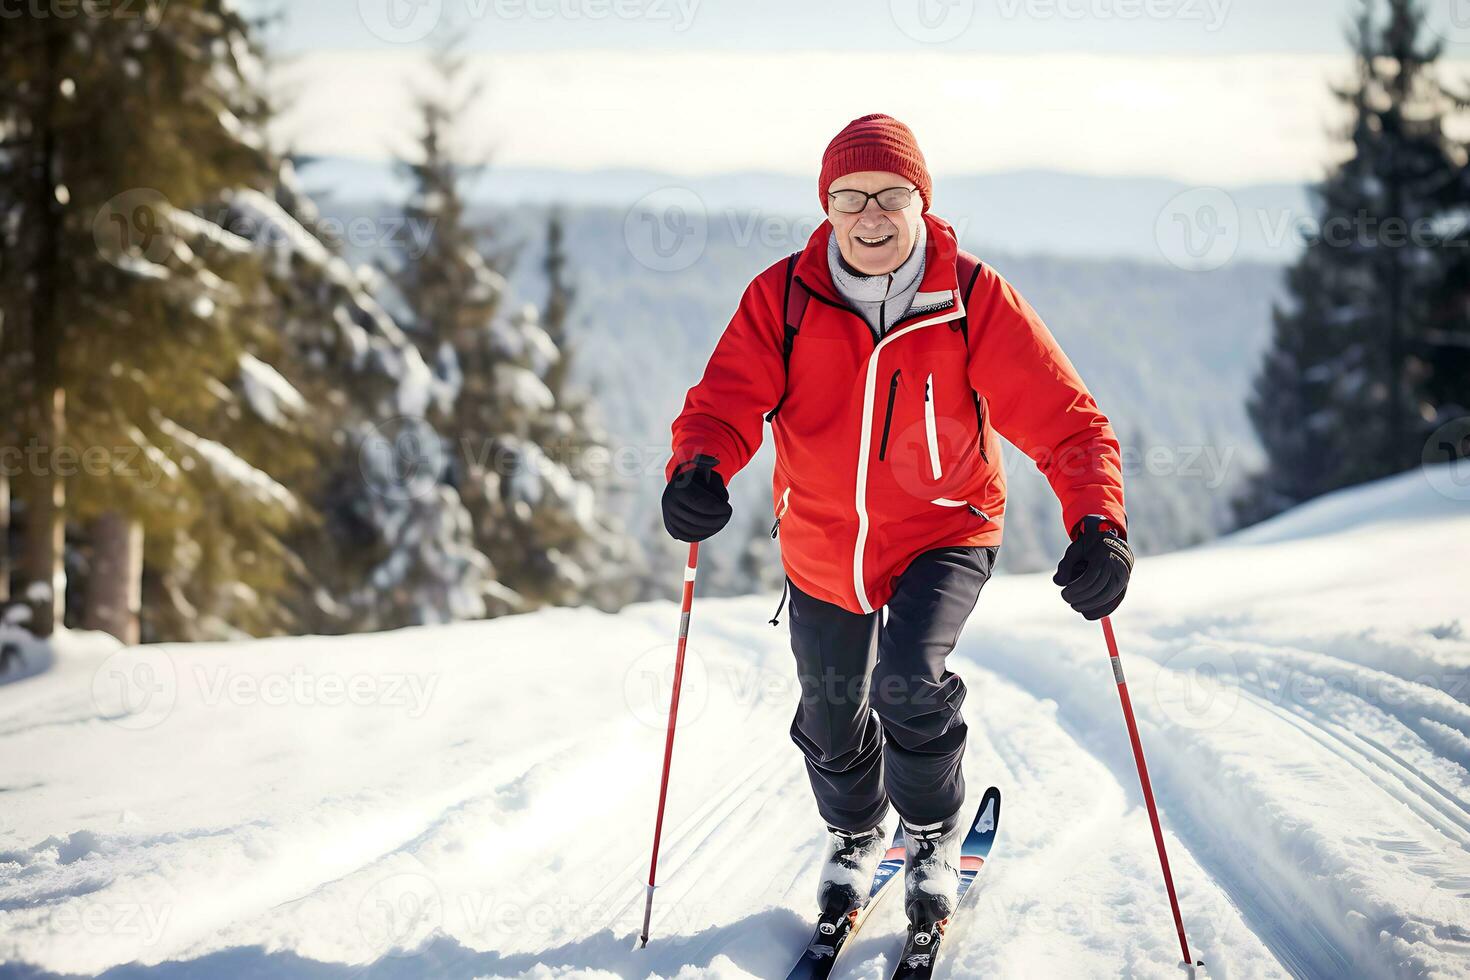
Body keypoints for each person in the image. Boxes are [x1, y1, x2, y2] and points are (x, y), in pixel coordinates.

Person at [660, 114, 1132, 938]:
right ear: (826, 207)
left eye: (890, 195)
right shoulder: (784, 299)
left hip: (946, 529)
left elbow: (1067, 422)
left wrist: (1099, 522)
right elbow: (723, 401)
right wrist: (699, 466)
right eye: (850, 197)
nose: (870, 214)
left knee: (908, 681)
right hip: (823, 540)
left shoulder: (970, 299)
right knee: (833, 715)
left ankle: (930, 833)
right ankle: (854, 834)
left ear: (922, 201)